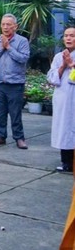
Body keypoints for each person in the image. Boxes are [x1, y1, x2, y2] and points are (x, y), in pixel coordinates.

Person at [0, 14, 31, 149]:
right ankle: (1, 136)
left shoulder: (22, 41)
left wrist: (9, 48)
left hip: (15, 83)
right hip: (0, 82)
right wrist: (2, 47)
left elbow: (23, 58)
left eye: (8, 24)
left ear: (15, 27)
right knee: (0, 112)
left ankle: (19, 138)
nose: (5, 27)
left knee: (15, 112)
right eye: (3, 24)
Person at [49, 26, 75, 173]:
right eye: (66, 36)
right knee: (63, 129)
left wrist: (71, 65)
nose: (68, 38)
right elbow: (52, 78)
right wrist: (63, 66)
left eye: (72, 36)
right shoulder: (59, 56)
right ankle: (66, 163)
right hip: (62, 98)